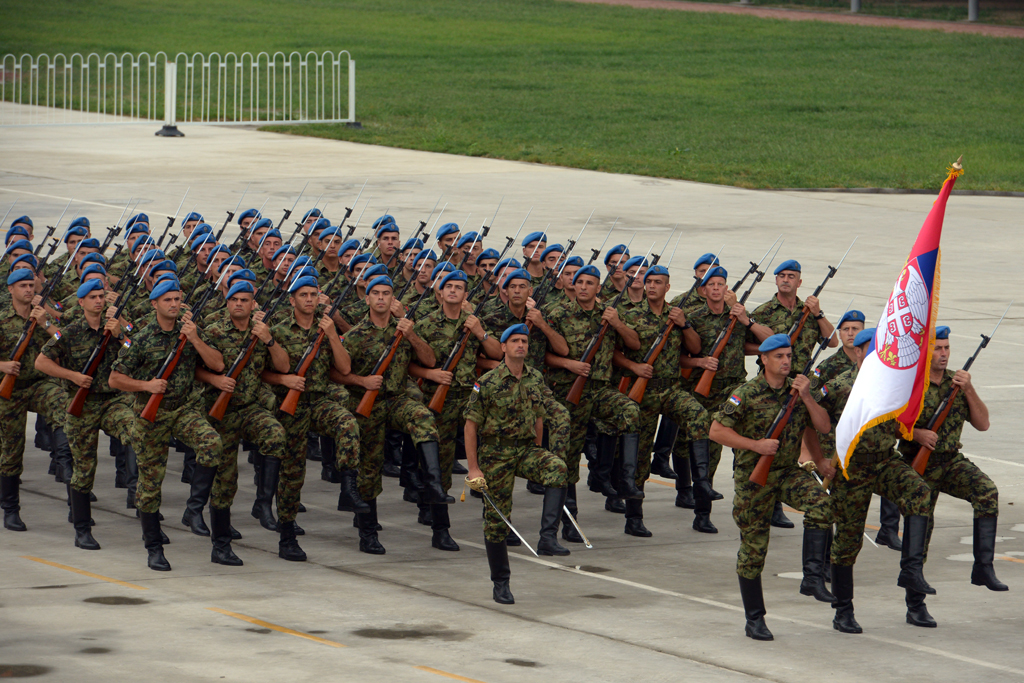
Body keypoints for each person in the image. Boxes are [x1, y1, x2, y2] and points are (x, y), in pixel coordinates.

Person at [709, 334, 834, 641]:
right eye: (778, 356)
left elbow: (821, 427)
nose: (786, 361)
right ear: (763, 359)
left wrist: (807, 397)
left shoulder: (798, 390)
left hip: (788, 473)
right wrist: (755, 445)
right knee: (754, 550)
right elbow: (716, 430)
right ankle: (755, 619)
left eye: (789, 355)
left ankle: (813, 577)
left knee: (823, 505)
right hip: (754, 478)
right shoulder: (746, 393)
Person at [815, 329, 935, 633]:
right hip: (851, 470)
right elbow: (810, 418)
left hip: (884, 461)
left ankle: (912, 577)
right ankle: (843, 610)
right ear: (857, 353)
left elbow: (894, 423)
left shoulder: (890, 386)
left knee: (920, 493)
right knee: (848, 541)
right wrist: (819, 457)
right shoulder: (840, 387)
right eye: (868, 351)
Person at [109, 277, 225, 572]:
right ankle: (153, 547)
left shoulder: (189, 332)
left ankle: (193, 508)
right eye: (168, 300)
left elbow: (217, 365)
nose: (174, 305)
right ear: (154, 304)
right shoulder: (143, 338)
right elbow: (115, 378)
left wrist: (195, 338)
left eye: (177, 299)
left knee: (212, 444)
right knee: (150, 484)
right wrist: (146, 385)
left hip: (183, 409)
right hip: (151, 415)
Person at [897, 327, 1005, 610]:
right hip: (918, 465)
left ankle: (983, 567)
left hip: (949, 461)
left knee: (986, 492)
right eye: (937, 348)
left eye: (946, 348)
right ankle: (915, 604)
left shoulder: (956, 384)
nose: (943, 354)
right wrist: (916, 434)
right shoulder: (911, 383)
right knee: (922, 527)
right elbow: (890, 424)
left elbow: (982, 424)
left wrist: (969, 388)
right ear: (925, 350)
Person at [337, 275, 444, 555]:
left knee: (423, 418)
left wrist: (410, 333)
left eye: (387, 293)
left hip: (396, 399)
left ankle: (432, 482)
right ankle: (368, 532)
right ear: (368, 299)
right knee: (369, 470)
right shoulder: (356, 335)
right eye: (377, 293)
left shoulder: (404, 329)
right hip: (366, 404)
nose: (382, 298)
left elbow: (429, 361)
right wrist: (362, 382)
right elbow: (337, 372)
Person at [465, 323, 569, 604]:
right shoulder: (487, 382)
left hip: (524, 450)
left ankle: (547, 536)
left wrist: (537, 447)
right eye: (514, 341)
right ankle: (501, 582)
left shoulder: (534, 377)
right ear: (503, 347)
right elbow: (471, 426)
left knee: (558, 469)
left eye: (524, 341)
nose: (520, 345)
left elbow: (538, 413)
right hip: (495, 455)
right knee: (496, 522)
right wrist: (474, 468)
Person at [261, 275, 364, 560]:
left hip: (318, 401)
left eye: (313, 294)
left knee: (347, 423)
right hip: (290, 406)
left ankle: (348, 486)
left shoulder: (326, 327)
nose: (309, 299)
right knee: (293, 474)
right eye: (303, 295)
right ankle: (287, 536)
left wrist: (332, 334)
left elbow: (344, 369)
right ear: (291, 299)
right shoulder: (279, 331)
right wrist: (285, 380)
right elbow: (262, 373)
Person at [35, 279, 138, 550]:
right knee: (83, 468)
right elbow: (41, 361)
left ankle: (142, 502)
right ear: (80, 302)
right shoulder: (67, 332)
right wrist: (73, 376)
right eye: (92, 297)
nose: (99, 301)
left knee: (138, 433)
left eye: (101, 296)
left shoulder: (115, 328)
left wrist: (119, 335)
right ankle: (82, 529)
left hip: (113, 402)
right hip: (83, 406)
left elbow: (137, 352)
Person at [547, 264, 642, 545]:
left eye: (591, 282)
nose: (585, 287)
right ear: (574, 286)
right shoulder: (558, 314)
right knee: (568, 456)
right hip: (568, 392)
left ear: (599, 287)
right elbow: (543, 357)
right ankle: (569, 520)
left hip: (600, 390)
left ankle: (624, 479)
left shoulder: (610, 313)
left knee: (630, 411)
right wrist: (569, 364)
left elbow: (633, 344)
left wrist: (617, 323)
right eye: (581, 282)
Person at [197, 281, 290, 565]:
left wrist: (269, 340)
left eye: (244, 300)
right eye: (233, 299)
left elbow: (284, 367)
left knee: (276, 435)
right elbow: (197, 369)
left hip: (249, 408)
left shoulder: (262, 332)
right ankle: (221, 545)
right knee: (225, 482)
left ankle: (263, 502)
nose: (238, 304)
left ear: (253, 305)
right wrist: (216, 380)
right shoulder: (213, 331)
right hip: (220, 413)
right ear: (227, 303)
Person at [411, 270, 502, 551]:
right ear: (439, 292)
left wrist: (480, 332)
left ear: (465, 295)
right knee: (439, 462)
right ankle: (440, 527)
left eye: (459, 287)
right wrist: (432, 374)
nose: (453, 291)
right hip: (439, 399)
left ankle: (495, 518)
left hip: (469, 397)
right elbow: (408, 365)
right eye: (448, 286)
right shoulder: (425, 324)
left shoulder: (473, 323)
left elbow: (497, 354)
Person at [747, 259, 838, 530]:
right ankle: (769, 505)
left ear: (799, 282)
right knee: (771, 440)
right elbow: (744, 345)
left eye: (792, 276)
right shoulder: (764, 311)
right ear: (775, 281)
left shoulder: (809, 311)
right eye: (782, 276)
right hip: (772, 386)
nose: (786, 280)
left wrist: (818, 314)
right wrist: (771, 353)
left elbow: (832, 341)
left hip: (802, 385)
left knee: (803, 437)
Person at [0, 269, 69, 531]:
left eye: (32, 285)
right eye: (23, 286)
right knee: (11, 450)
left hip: (40, 384)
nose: (29, 290)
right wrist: (3, 365)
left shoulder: (42, 316)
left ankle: (66, 464)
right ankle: (10, 509)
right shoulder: (2, 319)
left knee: (66, 409)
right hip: (10, 391)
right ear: (10, 290)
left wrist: (46, 323)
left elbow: (66, 342)